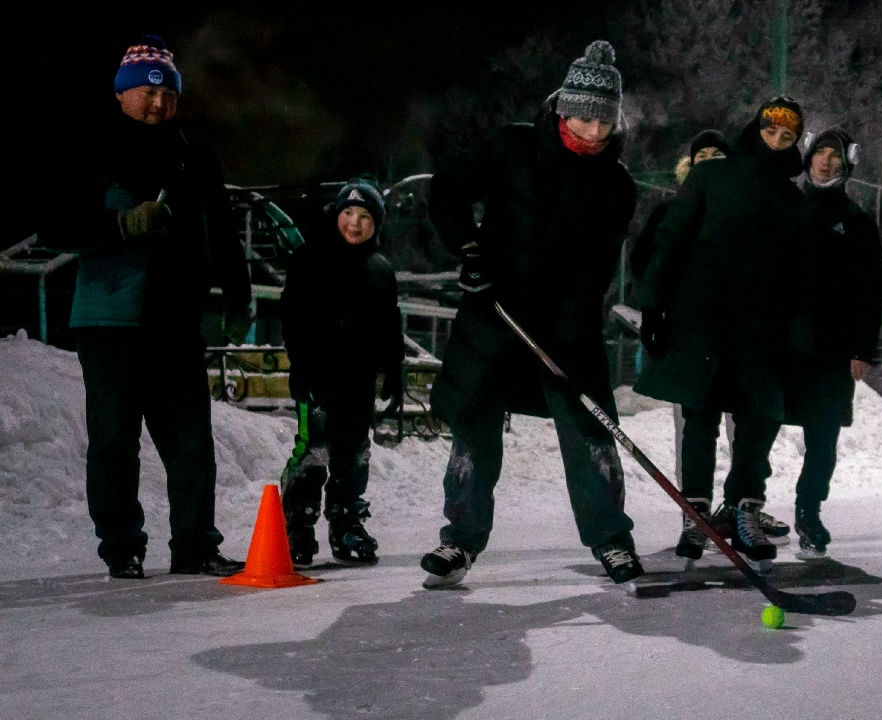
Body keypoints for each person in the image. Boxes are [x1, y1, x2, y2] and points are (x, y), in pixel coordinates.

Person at [420, 41, 642, 592]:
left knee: (589, 428)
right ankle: (460, 539)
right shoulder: (512, 147)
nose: (594, 132)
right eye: (585, 118)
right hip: (493, 310)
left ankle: (611, 537)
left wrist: (565, 332)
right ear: (563, 109)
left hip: (567, 326)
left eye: (605, 122)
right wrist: (468, 250)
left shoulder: (616, 186)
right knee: (474, 425)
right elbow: (446, 189)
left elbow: (593, 273)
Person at [38, 35, 251, 579]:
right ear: (121, 94)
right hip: (109, 321)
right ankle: (122, 547)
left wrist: (239, 293)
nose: (157, 103)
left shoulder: (194, 155)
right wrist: (123, 224)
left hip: (175, 323)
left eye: (167, 94)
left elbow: (222, 232)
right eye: (146, 93)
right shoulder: (92, 148)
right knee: (114, 442)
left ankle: (195, 545)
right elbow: (56, 227)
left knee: (192, 445)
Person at [634, 97, 808, 568]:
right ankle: (696, 516)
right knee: (700, 418)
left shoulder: (794, 201)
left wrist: (799, 337)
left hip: (763, 331)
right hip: (702, 323)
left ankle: (744, 511)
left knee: (758, 421)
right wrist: (652, 305)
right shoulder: (710, 177)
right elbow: (672, 238)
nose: (776, 141)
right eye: (770, 131)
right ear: (754, 130)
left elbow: (801, 276)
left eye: (786, 137)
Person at [280, 179, 404, 567]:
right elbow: (293, 318)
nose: (354, 223)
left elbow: (390, 324)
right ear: (336, 215)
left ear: (376, 224)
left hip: (358, 382)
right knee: (312, 451)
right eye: (348, 213)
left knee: (353, 453)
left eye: (365, 216)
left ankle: (346, 521)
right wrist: (300, 367)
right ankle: (297, 525)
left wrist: (394, 370)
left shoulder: (380, 270)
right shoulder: (308, 259)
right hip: (316, 380)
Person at [782, 127, 882, 559]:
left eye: (835, 156)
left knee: (822, 437)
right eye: (820, 152)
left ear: (847, 165)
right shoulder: (785, 207)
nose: (826, 162)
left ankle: (809, 510)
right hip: (781, 345)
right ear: (807, 157)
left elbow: (871, 290)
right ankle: (746, 508)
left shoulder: (856, 220)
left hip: (831, 349)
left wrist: (862, 349)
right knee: (757, 429)